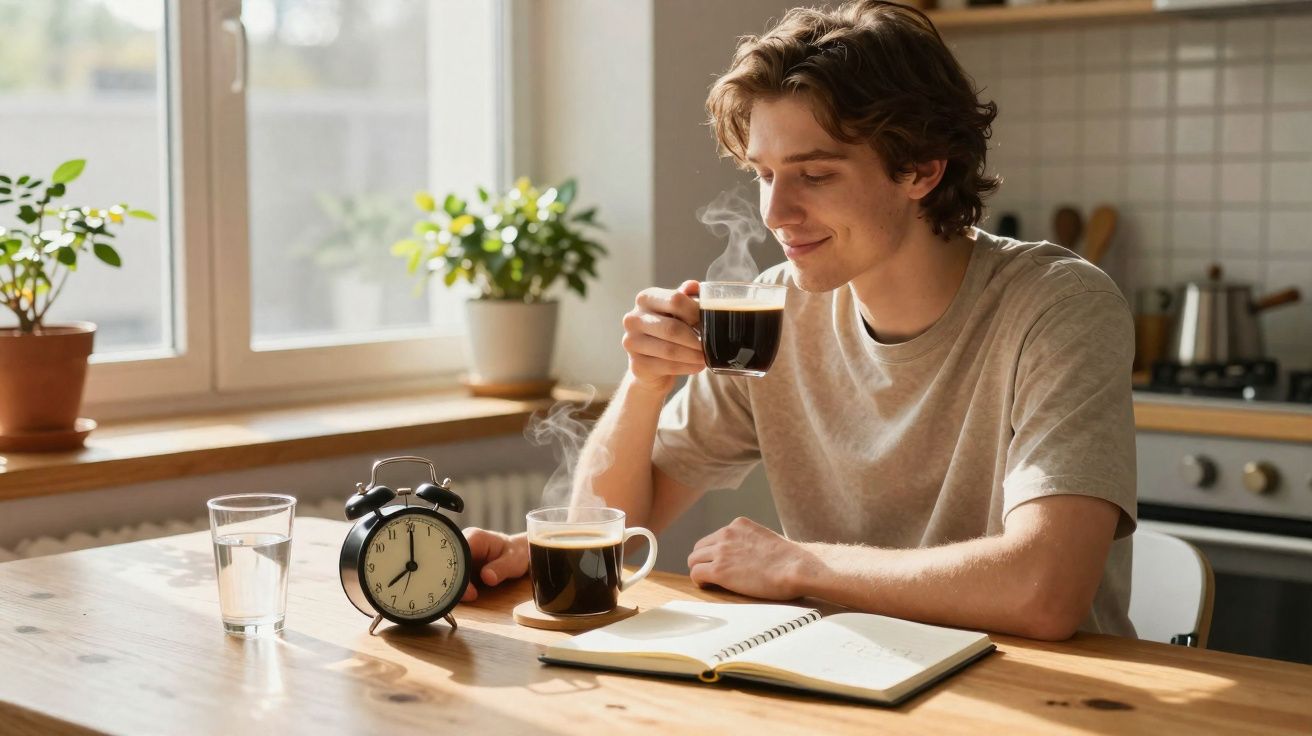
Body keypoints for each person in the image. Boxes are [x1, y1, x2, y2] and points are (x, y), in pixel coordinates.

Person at [462, 0, 1137, 640]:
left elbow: (1044, 591)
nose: (774, 213)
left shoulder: (1057, 307)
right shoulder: (774, 306)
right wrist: (645, 384)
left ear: (922, 170)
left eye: (813, 176)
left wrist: (801, 566)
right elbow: (607, 533)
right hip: (848, 682)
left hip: (1044, 697)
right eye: (763, 173)